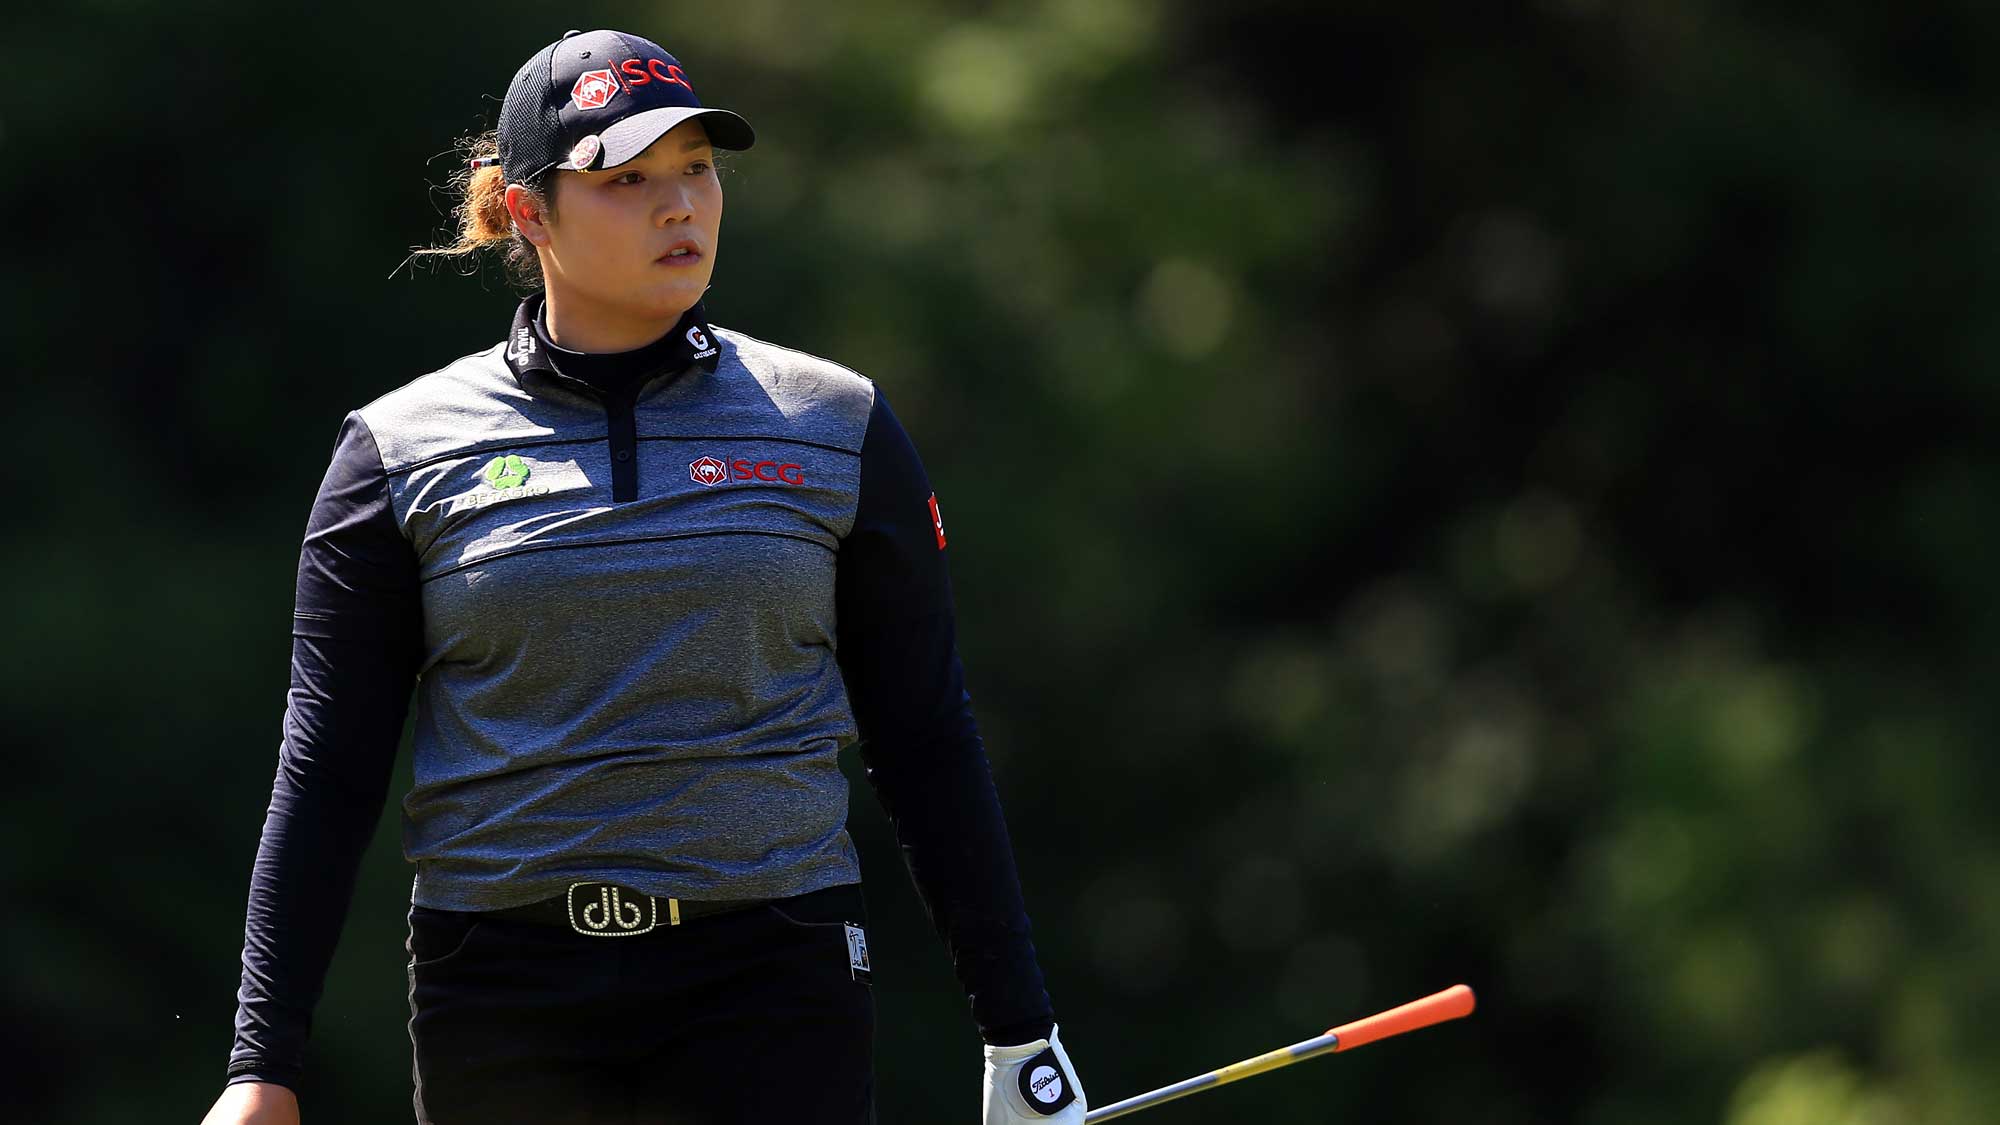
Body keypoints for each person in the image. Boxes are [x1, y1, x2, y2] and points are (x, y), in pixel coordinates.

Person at [200, 28, 1088, 1125]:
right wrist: (260, 1063)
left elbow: (923, 734)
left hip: (772, 975)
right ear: (527, 211)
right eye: (626, 181)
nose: (681, 208)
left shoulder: (835, 423)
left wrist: (1019, 1036)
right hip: (502, 986)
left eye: (696, 171)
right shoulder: (396, 452)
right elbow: (328, 764)